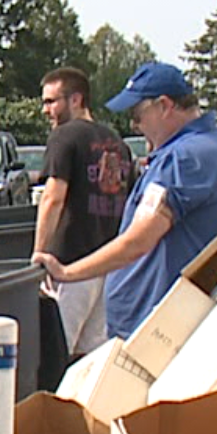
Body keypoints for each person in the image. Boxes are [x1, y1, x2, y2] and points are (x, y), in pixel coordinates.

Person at [33, 62, 217, 340]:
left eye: (137, 114)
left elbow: (138, 241)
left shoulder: (184, 159)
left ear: (164, 106)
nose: (134, 125)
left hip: (164, 332)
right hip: (190, 322)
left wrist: (66, 271)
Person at [31, 66, 133, 355]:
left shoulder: (65, 136)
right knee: (91, 355)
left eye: (51, 101)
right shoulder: (118, 143)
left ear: (76, 100)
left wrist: (39, 255)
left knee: (55, 352)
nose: (45, 110)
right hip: (107, 266)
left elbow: (53, 197)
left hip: (69, 266)